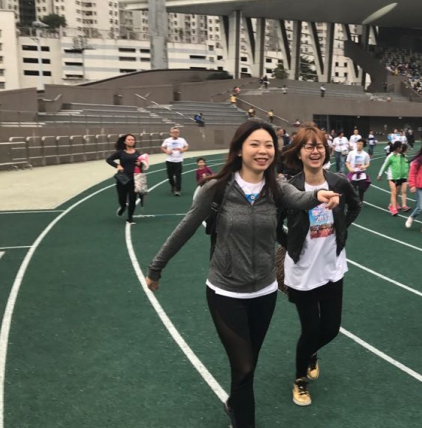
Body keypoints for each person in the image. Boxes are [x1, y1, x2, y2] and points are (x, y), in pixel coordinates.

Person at [145, 121, 340, 428]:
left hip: (264, 292)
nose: (263, 151)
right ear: (238, 149)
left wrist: (320, 197)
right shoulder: (216, 189)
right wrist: (156, 266)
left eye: (269, 145)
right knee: (245, 367)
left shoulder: (276, 188)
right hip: (225, 293)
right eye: (255, 144)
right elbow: (186, 227)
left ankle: (235, 404)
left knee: (248, 365)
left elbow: (300, 199)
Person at [277, 124, 361, 406]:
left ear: (327, 150)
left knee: (332, 328)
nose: (315, 151)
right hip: (302, 270)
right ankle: (300, 379)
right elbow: (275, 223)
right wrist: (289, 244)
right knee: (311, 329)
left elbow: (355, 205)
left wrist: (342, 229)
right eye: (308, 146)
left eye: (319, 146)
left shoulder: (338, 182)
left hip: (332, 266)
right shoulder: (290, 188)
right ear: (299, 152)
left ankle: (310, 353)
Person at [106, 134, 142, 224]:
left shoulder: (137, 152)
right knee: (122, 198)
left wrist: (140, 164)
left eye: (133, 139)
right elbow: (109, 159)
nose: (131, 141)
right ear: (125, 141)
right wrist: (117, 165)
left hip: (134, 178)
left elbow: (141, 164)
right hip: (123, 178)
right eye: (129, 139)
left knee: (132, 199)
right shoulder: (121, 152)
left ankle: (130, 218)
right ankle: (122, 206)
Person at [377, 141, 410, 215]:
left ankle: (394, 204)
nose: (402, 148)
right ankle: (393, 209)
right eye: (401, 147)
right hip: (391, 177)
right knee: (393, 192)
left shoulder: (400, 156)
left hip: (398, 177)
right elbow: (384, 165)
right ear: (398, 148)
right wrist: (380, 174)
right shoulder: (390, 156)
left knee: (397, 193)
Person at [161, 127, 189, 196]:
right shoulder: (167, 140)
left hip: (178, 161)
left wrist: (183, 150)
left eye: (177, 132)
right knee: (170, 176)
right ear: (171, 133)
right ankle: (173, 186)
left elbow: (187, 146)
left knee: (178, 176)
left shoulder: (182, 140)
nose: (176, 134)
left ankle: (178, 190)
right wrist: (167, 151)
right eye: (174, 132)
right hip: (169, 160)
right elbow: (162, 147)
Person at [345, 137, 371, 202]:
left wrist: (364, 166)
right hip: (353, 175)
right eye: (358, 144)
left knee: (361, 189)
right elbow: (347, 163)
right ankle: (353, 202)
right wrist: (350, 169)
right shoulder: (351, 153)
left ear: (363, 146)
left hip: (361, 175)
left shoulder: (365, 154)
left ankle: (360, 201)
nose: (359, 145)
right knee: (352, 190)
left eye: (360, 144)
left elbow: (368, 163)